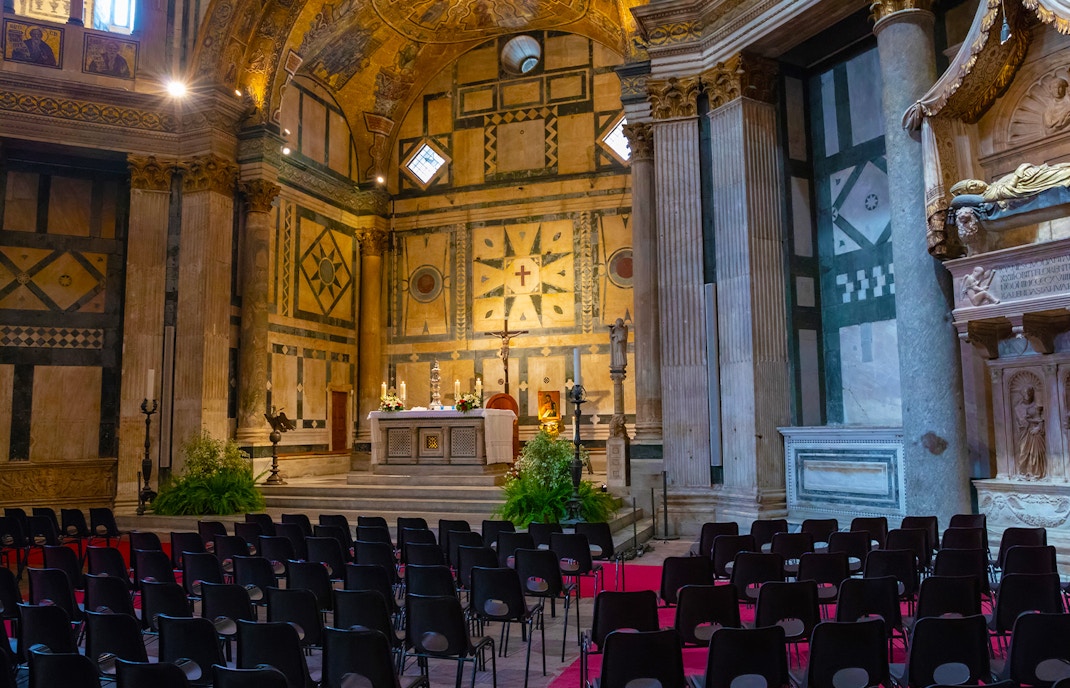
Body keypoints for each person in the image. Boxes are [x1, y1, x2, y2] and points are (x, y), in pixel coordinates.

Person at [1014, 386, 1046, 480]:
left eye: (1029, 392)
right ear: (1022, 394)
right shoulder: (1018, 407)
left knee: (1036, 452)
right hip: (1024, 433)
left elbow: (1042, 420)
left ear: (1032, 393)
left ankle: (1035, 473)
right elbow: (1022, 422)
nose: (1027, 395)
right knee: (1023, 451)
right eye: (1025, 393)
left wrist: (1039, 427)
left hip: (1035, 434)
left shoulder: (1036, 406)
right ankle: (1023, 472)